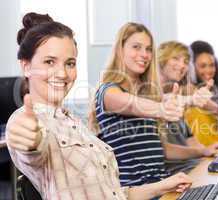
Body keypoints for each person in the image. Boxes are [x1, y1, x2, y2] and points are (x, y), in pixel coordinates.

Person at [5, 12, 192, 200]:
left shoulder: (74, 123)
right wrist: (29, 139)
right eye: (49, 62)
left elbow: (115, 195)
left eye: (70, 63)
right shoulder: (27, 121)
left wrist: (163, 186)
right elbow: (32, 147)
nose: (62, 73)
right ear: (26, 66)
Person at [89, 23, 218, 187]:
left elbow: (161, 149)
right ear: (120, 49)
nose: (144, 54)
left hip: (163, 185)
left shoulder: (147, 95)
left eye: (148, 49)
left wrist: (203, 151)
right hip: (136, 191)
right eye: (136, 47)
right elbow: (133, 105)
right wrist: (162, 108)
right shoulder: (108, 92)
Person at [158, 41, 218, 152]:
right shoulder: (180, 92)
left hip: (192, 160)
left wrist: (207, 151)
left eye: (185, 61)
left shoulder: (177, 93)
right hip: (182, 165)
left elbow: (191, 140)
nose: (182, 65)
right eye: (175, 58)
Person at [184, 40, 218, 146]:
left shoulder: (214, 89)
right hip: (200, 151)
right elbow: (200, 100)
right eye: (203, 66)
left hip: (212, 147)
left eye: (212, 65)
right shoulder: (186, 87)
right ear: (192, 67)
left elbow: (212, 133)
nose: (208, 70)